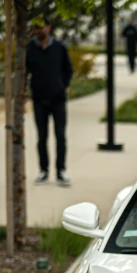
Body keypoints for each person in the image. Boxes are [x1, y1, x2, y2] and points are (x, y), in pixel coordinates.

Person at [26, 17, 73, 186]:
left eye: (41, 27)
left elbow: (68, 69)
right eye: (35, 28)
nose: (38, 30)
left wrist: (63, 85)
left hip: (58, 99)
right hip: (39, 100)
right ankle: (43, 171)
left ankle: (61, 171)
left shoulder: (59, 47)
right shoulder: (30, 48)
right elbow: (25, 70)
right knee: (42, 137)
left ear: (49, 27)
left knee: (60, 136)